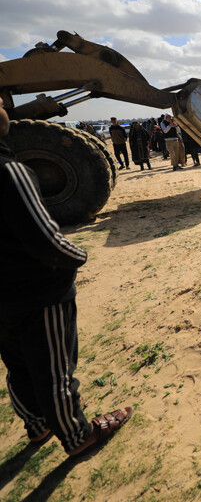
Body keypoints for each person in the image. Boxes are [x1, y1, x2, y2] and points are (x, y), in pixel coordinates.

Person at [0, 99, 133, 457]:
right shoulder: (11, 172)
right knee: (54, 368)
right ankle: (78, 436)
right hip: (38, 290)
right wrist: (78, 257)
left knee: (19, 365)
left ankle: (37, 425)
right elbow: (44, 238)